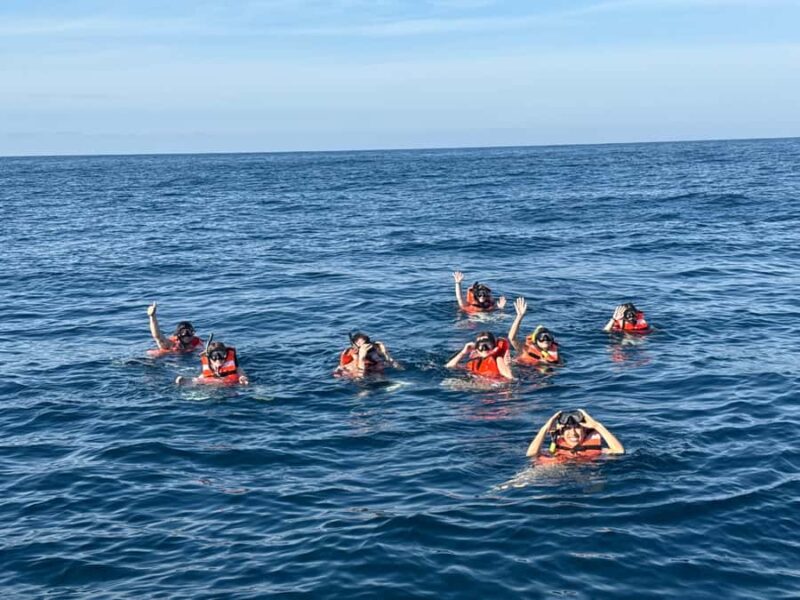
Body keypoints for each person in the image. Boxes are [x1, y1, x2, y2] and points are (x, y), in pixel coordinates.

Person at [526, 409, 624, 462]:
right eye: (568, 428)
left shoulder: (599, 451)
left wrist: (597, 425)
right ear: (561, 433)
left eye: (577, 427)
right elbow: (531, 455)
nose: (573, 433)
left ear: (585, 431)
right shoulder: (553, 451)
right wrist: (545, 428)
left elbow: (619, 451)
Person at [507, 297, 561, 365]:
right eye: (541, 337)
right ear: (536, 340)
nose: (545, 339)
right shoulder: (525, 349)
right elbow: (511, 338)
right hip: (521, 372)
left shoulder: (556, 355)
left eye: (548, 337)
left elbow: (560, 367)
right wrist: (519, 316)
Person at [445, 331, 514, 380]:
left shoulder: (498, 359)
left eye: (488, 344)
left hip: (493, 388)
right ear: (477, 349)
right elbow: (449, 366)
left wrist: (507, 365)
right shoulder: (474, 363)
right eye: (480, 346)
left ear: (494, 346)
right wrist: (463, 352)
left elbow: (510, 378)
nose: (484, 348)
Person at [176, 340, 249, 386]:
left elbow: (240, 372)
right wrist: (190, 381)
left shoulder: (234, 367)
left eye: (222, 355)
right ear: (209, 358)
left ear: (226, 355)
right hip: (214, 386)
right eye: (214, 356)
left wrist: (243, 377)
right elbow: (200, 378)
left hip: (233, 386)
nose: (218, 359)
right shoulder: (207, 369)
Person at [334, 332, 398, 378]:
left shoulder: (372, 348)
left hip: (369, 368)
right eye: (360, 344)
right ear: (354, 344)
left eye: (366, 343)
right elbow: (343, 365)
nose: (364, 346)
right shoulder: (350, 352)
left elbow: (387, 358)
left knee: (379, 368)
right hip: (353, 371)